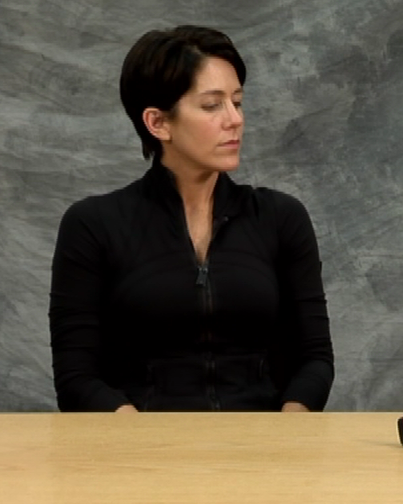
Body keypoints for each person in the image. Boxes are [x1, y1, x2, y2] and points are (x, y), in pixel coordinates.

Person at [49, 26, 334, 412]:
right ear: (158, 123)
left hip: (264, 453)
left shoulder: (281, 218)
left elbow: (314, 358)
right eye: (212, 105)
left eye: (237, 101)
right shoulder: (93, 224)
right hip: (137, 455)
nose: (235, 119)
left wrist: (284, 432)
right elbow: (76, 378)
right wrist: (141, 445)